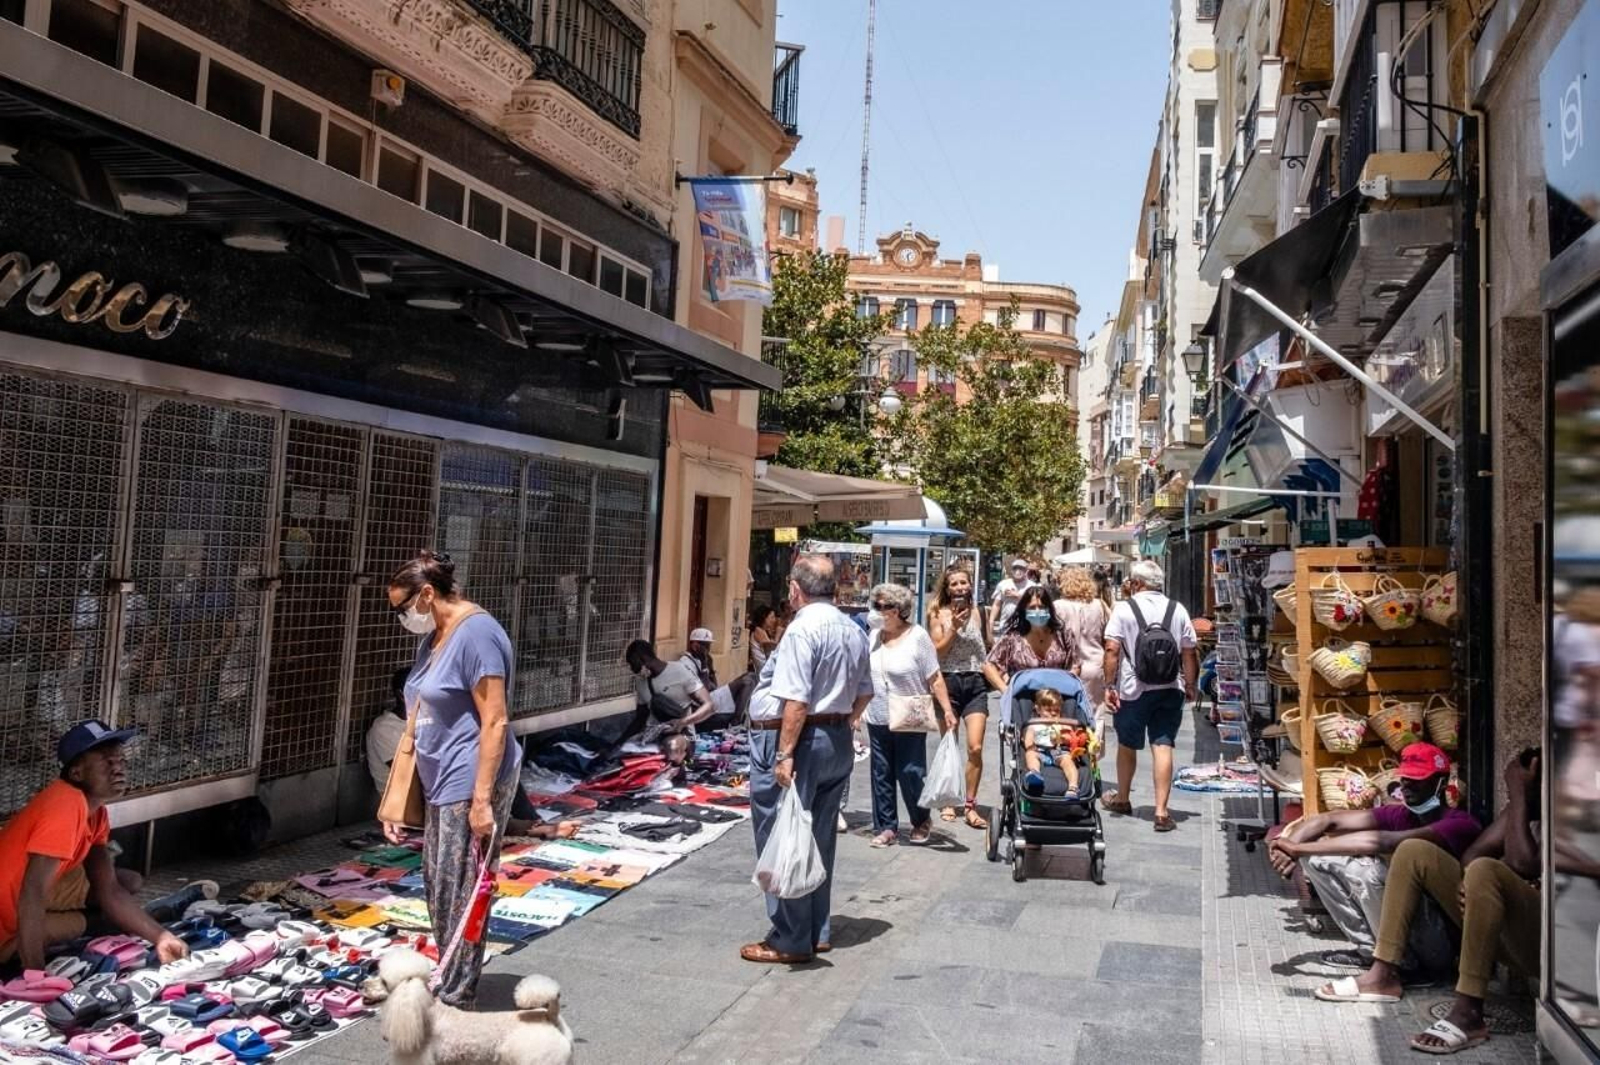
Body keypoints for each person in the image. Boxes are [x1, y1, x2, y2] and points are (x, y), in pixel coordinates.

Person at [1313, 753, 1563, 1055]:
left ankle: (1469, 1011)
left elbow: (1525, 862)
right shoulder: (1519, 812)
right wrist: (1467, 879)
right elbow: (1474, 853)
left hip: (1550, 950)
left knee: (1486, 870)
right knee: (1415, 850)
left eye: (1525, 783)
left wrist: (1520, 795)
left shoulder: (1569, 813)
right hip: (1497, 931)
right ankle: (1384, 974)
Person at [383, 549, 521, 1008]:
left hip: (470, 779)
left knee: (460, 888)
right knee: (438, 886)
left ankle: (458, 994)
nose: (402, 618)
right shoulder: (435, 638)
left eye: (403, 608)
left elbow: (495, 720)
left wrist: (482, 800)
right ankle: (450, 973)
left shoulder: (476, 633)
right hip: (440, 779)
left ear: (427, 594)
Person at [741, 555, 872, 965]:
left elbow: (795, 700)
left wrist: (785, 753)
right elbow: (866, 691)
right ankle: (817, 930)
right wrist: (841, 723)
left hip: (801, 739)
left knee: (783, 835)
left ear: (796, 590)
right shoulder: (852, 629)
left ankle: (792, 936)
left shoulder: (803, 629)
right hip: (835, 739)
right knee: (819, 838)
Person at [1269, 742, 1482, 973]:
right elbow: (1328, 820)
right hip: (1411, 927)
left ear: (1440, 784)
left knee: (1371, 871)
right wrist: (1288, 847)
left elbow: (1382, 841)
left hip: (1442, 943)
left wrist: (1297, 849)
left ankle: (1403, 962)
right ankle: (1370, 951)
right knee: (1317, 860)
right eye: (1405, 778)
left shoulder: (1459, 824)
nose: (1407, 785)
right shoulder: (1400, 813)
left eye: (1417, 779)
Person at [0, 720, 188, 968]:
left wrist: (161, 937)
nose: (117, 768)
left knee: (127, 883)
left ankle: (144, 921)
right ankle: (22, 945)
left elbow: (108, 888)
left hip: (24, 897)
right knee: (106, 921)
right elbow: (31, 892)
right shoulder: (67, 804)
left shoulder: (96, 813)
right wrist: (35, 975)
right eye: (106, 761)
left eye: (120, 761)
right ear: (76, 773)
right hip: (9, 920)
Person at [1101, 559, 1198, 833]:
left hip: (1133, 690)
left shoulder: (1124, 609)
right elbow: (1189, 651)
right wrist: (1190, 684)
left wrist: (1109, 686)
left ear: (1136, 583)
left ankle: (1122, 798)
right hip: (1170, 687)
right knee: (1163, 744)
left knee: (1127, 744)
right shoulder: (1177, 609)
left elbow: (1111, 650)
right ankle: (1161, 811)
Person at [863, 583, 957, 848]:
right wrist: (857, 711)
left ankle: (921, 819)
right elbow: (865, 677)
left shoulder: (917, 637)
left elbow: (934, 677)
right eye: (875, 606)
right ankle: (886, 827)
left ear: (900, 610)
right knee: (881, 773)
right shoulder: (873, 636)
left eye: (884, 607)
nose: (878, 612)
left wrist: (947, 710)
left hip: (909, 715)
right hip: (878, 714)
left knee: (910, 772)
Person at [979, 586, 1078, 830]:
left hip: (1058, 705)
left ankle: (1072, 790)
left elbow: (1075, 665)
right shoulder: (1014, 637)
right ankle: (1031, 791)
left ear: (1049, 609)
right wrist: (1006, 690)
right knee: (1027, 750)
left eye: (1041, 607)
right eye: (1031, 607)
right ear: (1024, 610)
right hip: (1025, 707)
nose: (1037, 611)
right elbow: (989, 664)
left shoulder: (1062, 633)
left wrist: (1064, 685)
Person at [928, 567, 991, 824]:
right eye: (954, 584)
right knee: (950, 745)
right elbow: (936, 654)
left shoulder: (979, 612)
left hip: (975, 682)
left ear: (970, 585)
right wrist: (953, 627)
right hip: (949, 682)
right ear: (947, 588)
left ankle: (970, 804)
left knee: (975, 747)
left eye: (963, 583)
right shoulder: (936, 614)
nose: (959, 588)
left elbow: (987, 647)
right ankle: (948, 800)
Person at [620, 639, 714, 745]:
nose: (633, 670)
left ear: (643, 659)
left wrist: (683, 722)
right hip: (653, 735)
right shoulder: (640, 682)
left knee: (671, 746)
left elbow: (709, 706)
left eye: (634, 664)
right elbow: (640, 718)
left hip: (683, 735)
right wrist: (618, 743)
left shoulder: (679, 671)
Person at [1054, 566, 1110, 736]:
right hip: (1095, 665)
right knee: (1096, 714)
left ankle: (1070, 751)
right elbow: (1109, 636)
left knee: (1065, 712)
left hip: (1066, 666)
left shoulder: (1057, 606)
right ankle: (1092, 753)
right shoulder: (1100, 605)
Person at [1022, 688, 1090, 796]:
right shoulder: (1034, 724)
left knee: (1068, 762)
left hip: (1059, 751)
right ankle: (1035, 773)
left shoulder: (1063, 723)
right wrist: (1030, 746)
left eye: (1057, 711)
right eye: (1048, 710)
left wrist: (1063, 737)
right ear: (1038, 709)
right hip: (1040, 751)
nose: (1053, 714)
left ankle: (1073, 787)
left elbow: (1072, 738)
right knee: (1030, 754)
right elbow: (1028, 740)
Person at [988, 558, 1034, 635]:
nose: (1018, 571)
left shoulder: (1031, 586)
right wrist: (991, 620)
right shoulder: (1003, 584)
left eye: (1021, 568)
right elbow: (997, 604)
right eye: (1015, 568)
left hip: (1024, 626)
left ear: (1026, 571)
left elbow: (1035, 603)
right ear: (1012, 570)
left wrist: (1018, 596)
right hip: (1005, 626)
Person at [681, 627, 719, 692]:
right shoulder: (685, 662)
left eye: (709, 645)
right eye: (706, 645)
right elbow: (704, 689)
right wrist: (703, 665)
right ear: (694, 646)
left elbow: (715, 686)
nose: (708, 649)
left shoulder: (707, 659)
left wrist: (711, 670)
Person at [749, 604, 780, 672]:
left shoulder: (764, 631)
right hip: (763, 668)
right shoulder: (758, 630)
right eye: (771, 617)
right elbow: (771, 650)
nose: (774, 620)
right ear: (764, 618)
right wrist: (778, 633)